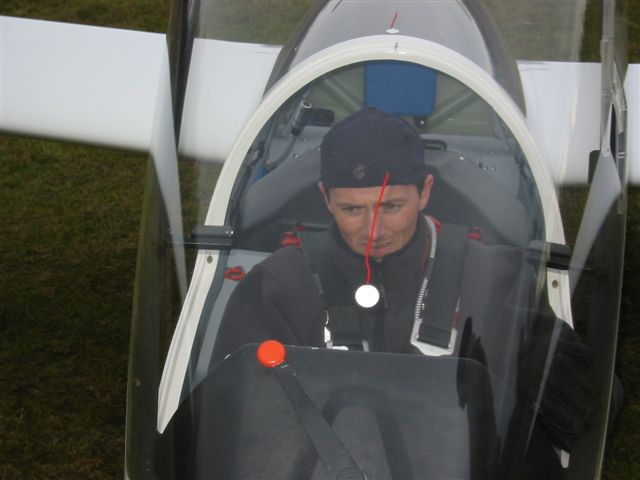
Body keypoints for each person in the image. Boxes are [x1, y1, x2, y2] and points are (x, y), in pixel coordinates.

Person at [211, 108, 597, 452]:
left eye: (392, 206)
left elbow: (586, 412)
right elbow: (236, 420)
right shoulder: (276, 287)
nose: (374, 230)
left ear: (424, 192)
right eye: (352, 209)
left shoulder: (494, 279)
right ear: (326, 198)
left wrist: (553, 380)